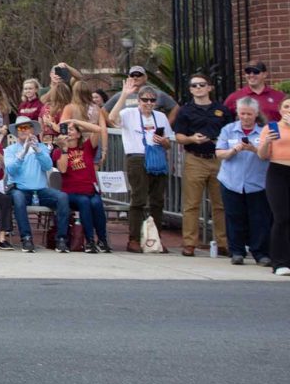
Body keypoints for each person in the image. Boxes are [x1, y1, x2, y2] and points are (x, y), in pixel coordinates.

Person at [172, 73, 234, 257]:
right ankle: (189, 243)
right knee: (191, 204)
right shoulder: (185, 111)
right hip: (195, 158)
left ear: (210, 87)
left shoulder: (222, 110)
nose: (198, 88)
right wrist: (192, 138)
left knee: (220, 204)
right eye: (194, 85)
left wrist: (222, 144)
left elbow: (231, 133)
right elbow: (179, 136)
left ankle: (223, 242)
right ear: (190, 90)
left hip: (218, 159)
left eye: (202, 84)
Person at [110, 84, 173, 253]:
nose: (148, 103)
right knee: (138, 199)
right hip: (137, 157)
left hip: (157, 157)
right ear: (138, 101)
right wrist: (123, 95)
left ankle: (155, 238)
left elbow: (168, 142)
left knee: (158, 201)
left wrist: (165, 142)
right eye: (145, 100)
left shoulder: (160, 117)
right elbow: (112, 118)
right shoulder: (128, 113)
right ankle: (134, 239)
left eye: (152, 100)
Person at [216, 97, 271, 266]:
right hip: (231, 181)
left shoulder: (264, 131)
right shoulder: (228, 130)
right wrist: (234, 150)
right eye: (242, 114)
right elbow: (219, 153)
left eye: (249, 114)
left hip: (257, 183)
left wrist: (253, 149)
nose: (246, 117)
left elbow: (268, 155)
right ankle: (237, 252)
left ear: (256, 114)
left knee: (259, 219)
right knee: (234, 217)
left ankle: (260, 253)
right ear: (238, 114)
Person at [3, 117, 70, 253]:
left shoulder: (42, 147)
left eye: (27, 127)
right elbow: (11, 170)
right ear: (16, 132)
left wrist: (37, 150)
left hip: (40, 190)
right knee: (18, 198)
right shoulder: (10, 149)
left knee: (62, 197)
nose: (23, 131)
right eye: (20, 128)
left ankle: (61, 239)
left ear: (32, 130)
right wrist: (24, 152)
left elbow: (48, 166)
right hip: (20, 189)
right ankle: (26, 238)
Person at [53, 117, 111, 253]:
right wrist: (64, 149)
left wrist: (75, 121)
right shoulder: (58, 151)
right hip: (72, 192)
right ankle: (90, 240)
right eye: (66, 130)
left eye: (72, 130)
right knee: (84, 202)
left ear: (79, 134)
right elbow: (62, 169)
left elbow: (98, 129)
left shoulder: (87, 148)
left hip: (90, 190)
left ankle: (102, 240)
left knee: (97, 203)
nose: (69, 132)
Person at [256, 97, 290, 276]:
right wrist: (268, 141)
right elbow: (262, 155)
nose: (289, 109)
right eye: (286, 106)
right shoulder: (271, 128)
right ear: (280, 110)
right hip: (277, 171)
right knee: (281, 216)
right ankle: (279, 261)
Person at [104, 66, 178, 124]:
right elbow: (105, 111)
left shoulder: (158, 94)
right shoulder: (121, 95)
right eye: (132, 75)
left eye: (139, 75)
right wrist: (114, 126)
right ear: (129, 78)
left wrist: (167, 124)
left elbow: (175, 107)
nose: (135, 77)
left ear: (145, 78)